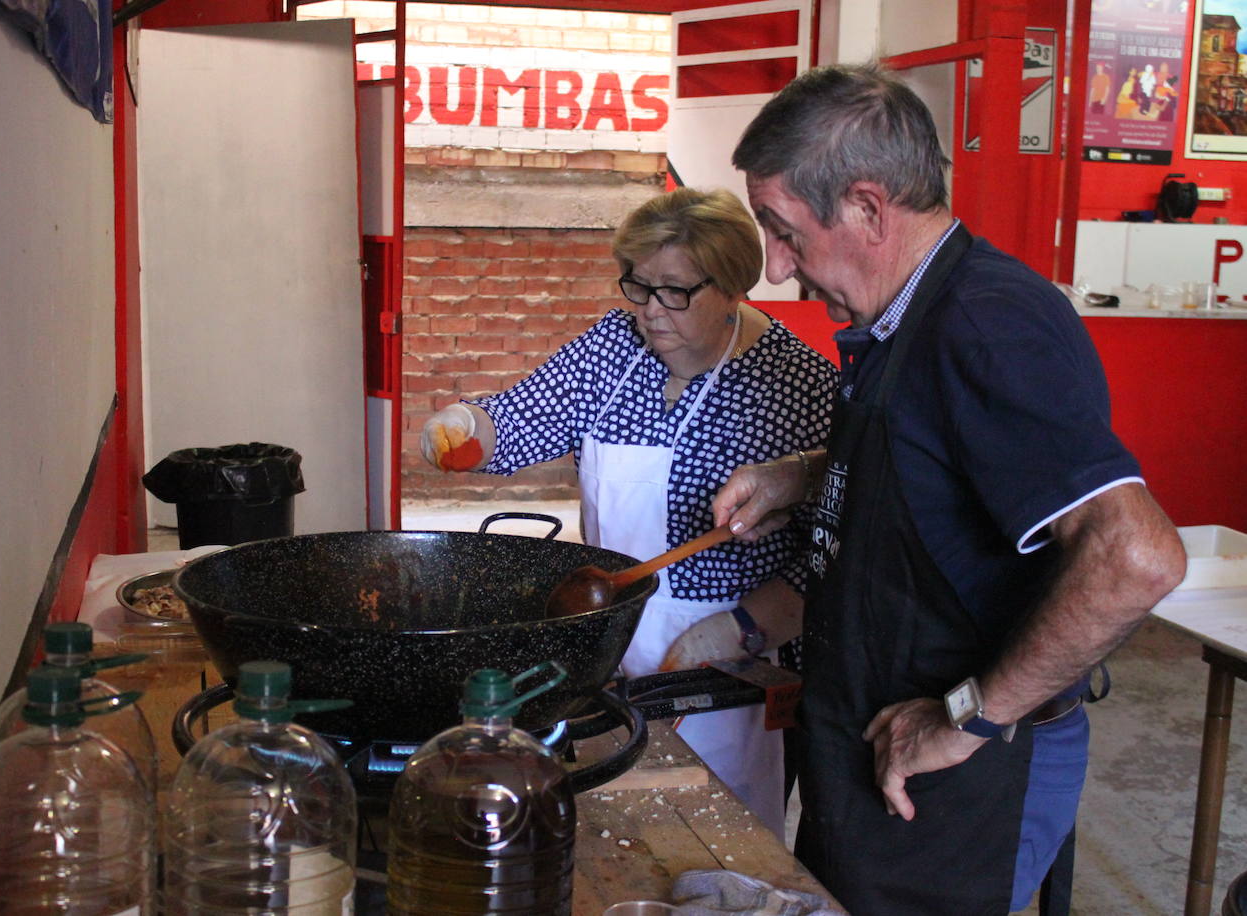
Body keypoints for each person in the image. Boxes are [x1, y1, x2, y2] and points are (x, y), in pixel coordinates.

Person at [714, 64, 1186, 914]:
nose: (778, 271)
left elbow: (1136, 554)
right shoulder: (901, 316)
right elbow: (941, 462)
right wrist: (805, 474)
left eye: (784, 233)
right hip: (868, 755)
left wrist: (967, 715)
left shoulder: (989, 323)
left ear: (865, 208)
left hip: (961, 784)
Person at [419, 187, 837, 840]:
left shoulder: (795, 386)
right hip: (604, 637)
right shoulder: (613, 350)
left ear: (731, 288)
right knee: (607, 832)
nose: (648, 312)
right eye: (636, 286)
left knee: (713, 844)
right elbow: (525, 416)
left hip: (724, 666)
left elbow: (833, 555)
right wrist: (467, 426)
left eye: (673, 291)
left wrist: (746, 628)